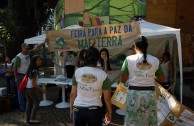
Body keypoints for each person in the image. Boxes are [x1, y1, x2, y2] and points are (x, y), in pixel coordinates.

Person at [120, 36, 165, 126]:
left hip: (134, 94)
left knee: (132, 120)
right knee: (149, 120)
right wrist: (151, 76)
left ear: (135, 47)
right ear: (146, 47)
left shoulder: (128, 59)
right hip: (150, 94)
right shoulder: (155, 60)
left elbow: (123, 80)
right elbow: (162, 79)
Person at [70, 46, 112, 126]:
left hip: (78, 109)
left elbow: (73, 93)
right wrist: (110, 112)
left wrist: (71, 109)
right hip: (95, 110)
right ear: (97, 58)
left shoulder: (77, 72)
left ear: (86, 58)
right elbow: (107, 97)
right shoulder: (103, 74)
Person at [14, 40, 47, 112]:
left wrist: (43, 42)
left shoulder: (29, 53)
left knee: (27, 90)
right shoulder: (18, 57)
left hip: (27, 75)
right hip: (20, 76)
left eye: (28, 48)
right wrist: (16, 77)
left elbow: (36, 48)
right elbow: (15, 67)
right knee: (21, 91)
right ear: (22, 48)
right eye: (25, 48)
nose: (27, 49)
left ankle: (28, 105)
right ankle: (22, 107)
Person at [25, 55, 46, 125]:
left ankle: (28, 119)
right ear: (35, 62)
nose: (40, 61)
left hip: (27, 88)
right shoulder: (34, 70)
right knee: (36, 102)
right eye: (39, 60)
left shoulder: (31, 68)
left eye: (40, 60)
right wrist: (41, 89)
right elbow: (33, 84)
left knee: (29, 103)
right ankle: (32, 119)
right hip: (31, 89)